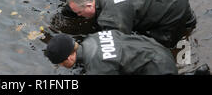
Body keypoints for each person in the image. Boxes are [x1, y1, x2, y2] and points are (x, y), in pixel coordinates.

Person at [67, 0, 197, 48]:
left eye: (79, 13)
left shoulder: (112, 18)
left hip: (173, 6)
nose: (79, 16)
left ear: (89, 5)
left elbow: (122, 45)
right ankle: (188, 20)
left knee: (163, 45)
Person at [45, 32, 178, 75]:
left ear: (68, 57)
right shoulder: (94, 37)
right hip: (160, 49)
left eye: (61, 63)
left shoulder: (96, 68)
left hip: (162, 68)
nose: (62, 66)